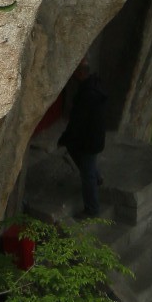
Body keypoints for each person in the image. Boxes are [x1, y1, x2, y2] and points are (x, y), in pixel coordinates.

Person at [59, 59, 109, 218]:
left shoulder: (88, 94)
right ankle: (98, 177)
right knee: (86, 162)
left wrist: (67, 135)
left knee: (87, 175)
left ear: (81, 73)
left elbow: (78, 120)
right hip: (94, 136)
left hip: (88, 140)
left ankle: (92, 209)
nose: (73, 74)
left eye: (76, 71)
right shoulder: (94, 85)